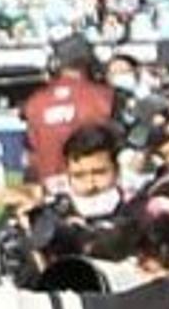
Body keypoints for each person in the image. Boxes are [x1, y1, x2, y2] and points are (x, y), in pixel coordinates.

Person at [19, 32, 115, 190]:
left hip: (49, 190)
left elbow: (31, 156)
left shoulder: (34, 102)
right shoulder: (107, 97)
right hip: (92, 187)